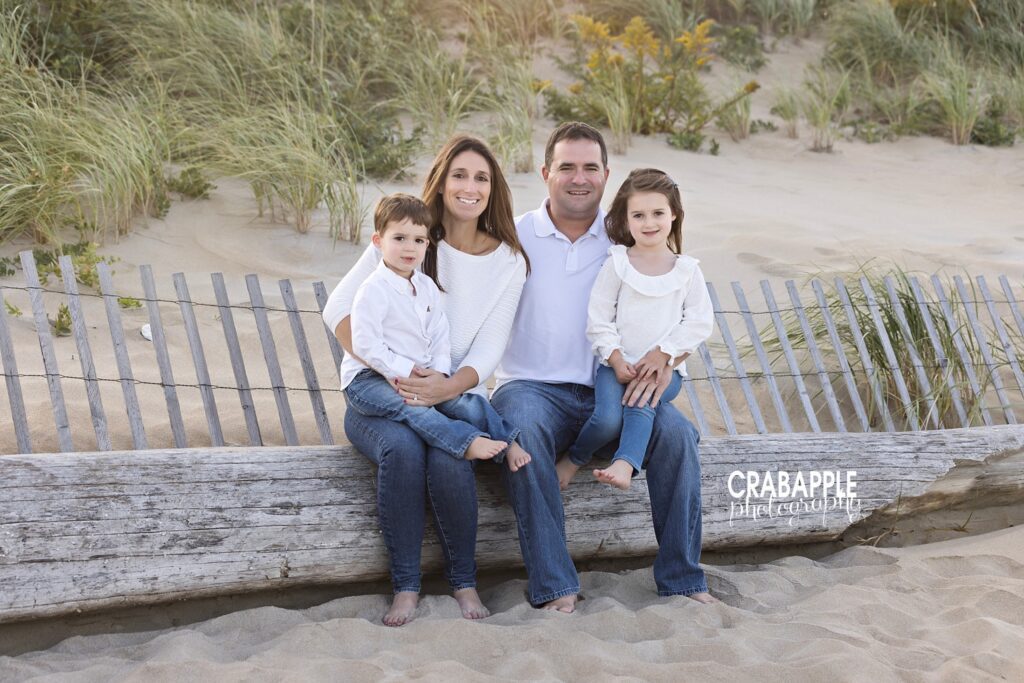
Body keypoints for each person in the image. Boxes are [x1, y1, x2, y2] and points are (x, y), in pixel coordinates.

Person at [491, 122, 717, 613]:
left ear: (606, 175)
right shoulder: (514, 235)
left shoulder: (626, 236)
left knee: (678, 436)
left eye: (590, 167)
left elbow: (678, 309)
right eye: (567, 167)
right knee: (524, 432)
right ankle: (555, 585)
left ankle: (681, 578)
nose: (579, 178)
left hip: (617, 387)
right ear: (545, 172)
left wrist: (669, 357)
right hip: (533, 386)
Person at [322, 136, 529, 627]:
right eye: (459, 174)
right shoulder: (403, 233)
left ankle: (463, 581)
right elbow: (338, 310)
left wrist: (443, 384)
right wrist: (397, 375)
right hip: (379, 395)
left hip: (444, 392)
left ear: (493, 187)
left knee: (447, 456)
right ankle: (406, 588)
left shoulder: (506, 261)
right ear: (442, 181)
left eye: (481, 177)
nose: (469, 187)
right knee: (405, 449)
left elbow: (487, 349)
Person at [341, 193, 531, 469]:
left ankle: (508, 440)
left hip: (418, 374)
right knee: (413, 407)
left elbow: (440, 332)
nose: (410, 248)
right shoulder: (373, 290)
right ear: (378, 241)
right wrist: (408, 373)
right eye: (399, 238)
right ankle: (466, 443)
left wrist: (440, 372)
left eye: (418, 240)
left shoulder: (427, 286)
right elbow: (366, 347)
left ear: (427, 244)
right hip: (368, 379)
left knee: (464, 403)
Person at [555, 169, 713, 491]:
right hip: (617, 365)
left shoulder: (686, 271)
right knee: (607, 420)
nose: (648, 222)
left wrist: (665, 355)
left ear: (674, 215)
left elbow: (699, 323)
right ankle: (574, 458)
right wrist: (614, 359)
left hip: (665, 371)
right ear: (626, 220)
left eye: (658, 213)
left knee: (642, 403)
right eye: (638, 215)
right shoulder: (618, 263)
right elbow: (598, 318)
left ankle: (625, 465)